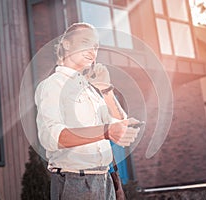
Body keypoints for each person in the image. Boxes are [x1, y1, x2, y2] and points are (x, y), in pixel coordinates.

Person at [34, 22, 141, 200]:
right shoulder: (53, 85)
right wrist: (106, 131)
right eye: (85, 42)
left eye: (96, 46)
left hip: (106, 181)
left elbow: (120, 124)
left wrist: (106, 90)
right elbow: (52, 137)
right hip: (75, 181)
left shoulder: (92, 90)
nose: (92, 51)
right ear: (66, 44)